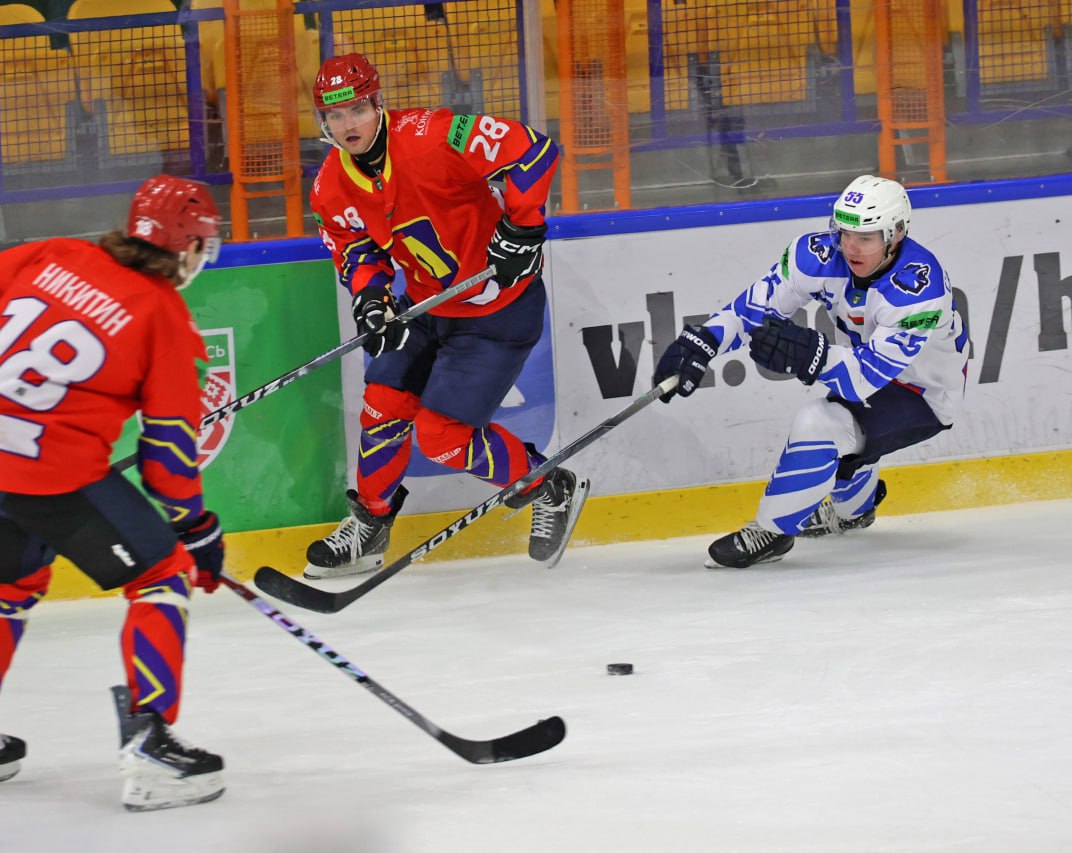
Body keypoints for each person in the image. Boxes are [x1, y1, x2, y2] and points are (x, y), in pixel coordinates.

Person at [0, 175, 229, 812]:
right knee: (161, 577)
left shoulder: (52, 252)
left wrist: (23, 405)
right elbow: (168, 455)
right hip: (44, 472)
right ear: (190, 247)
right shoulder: (164, 315)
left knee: (11, 584)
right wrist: (196, 528)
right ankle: (152, 749)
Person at [304, 53, 590, 579]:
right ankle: (370, 526)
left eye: (357, 109)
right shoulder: (329, 186)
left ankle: (548, 483)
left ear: (378, 103)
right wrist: (371, 299)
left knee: (442, 437)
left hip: (496, 311)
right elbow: (356, 250)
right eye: (335, 115)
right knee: (382, 404)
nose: (348, 125)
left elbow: (533, 151)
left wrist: (524, 227)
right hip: (426, 306)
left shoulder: (433, 135)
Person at [652, 174, 968, 568]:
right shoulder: (818, 253)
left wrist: (811, 355)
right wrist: (703, 342)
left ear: (896, 234)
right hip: (866, 373)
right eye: (845, 232)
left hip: (922, 393)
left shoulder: (919, 288)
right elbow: (752, 309)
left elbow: (865, 379)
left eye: (866, 237)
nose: (850, 246)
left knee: (820, 423)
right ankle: (856, 510)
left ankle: (772, 532)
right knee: (849, 451)